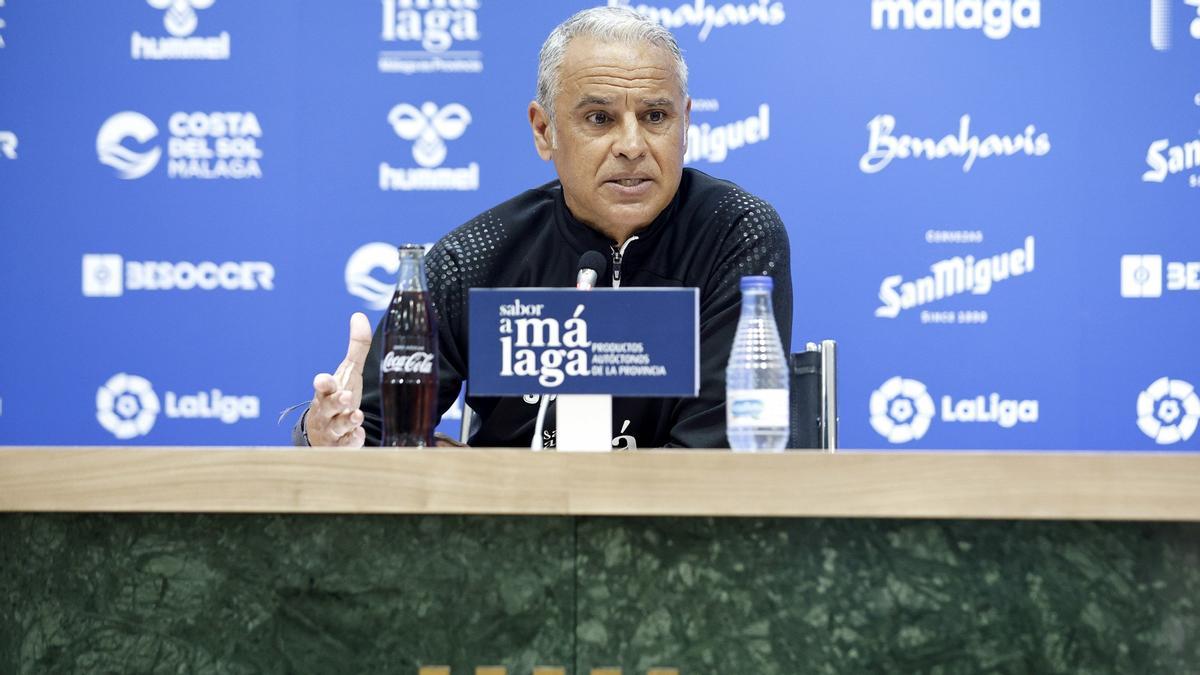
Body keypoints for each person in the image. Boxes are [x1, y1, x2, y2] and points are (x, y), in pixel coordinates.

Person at [296, 6, 791, 449]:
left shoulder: (736, 232)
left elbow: (722, 450)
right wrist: (327, 438)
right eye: (599, 118)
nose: (632, 145)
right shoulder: (476, 255)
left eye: (655, 115)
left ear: (685, 124)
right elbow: (373, 435)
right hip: (506, 539)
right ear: (544, 130)